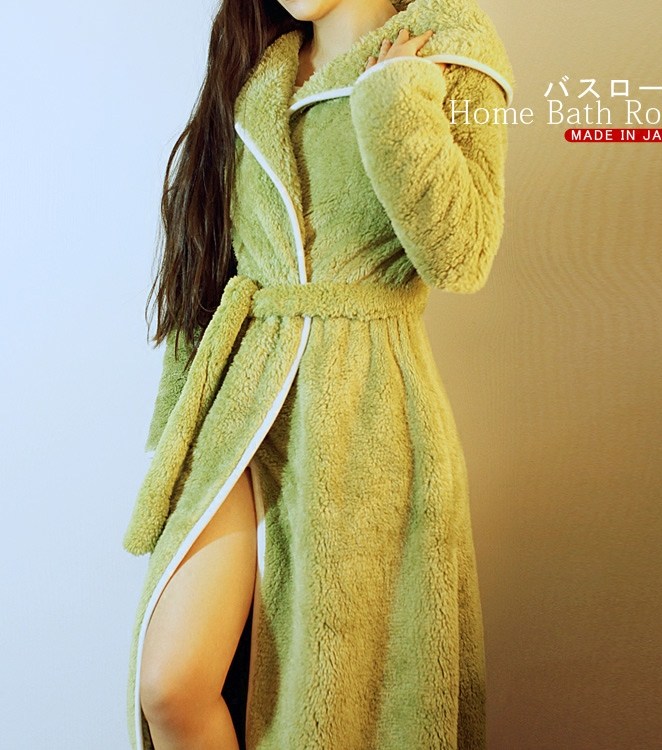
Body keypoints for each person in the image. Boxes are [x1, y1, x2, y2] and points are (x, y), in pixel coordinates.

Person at [122, 0, 515, 748]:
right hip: (243, 404)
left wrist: (395, 94)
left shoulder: (455, 49)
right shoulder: (257, 76)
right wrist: (182, 421)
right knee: (171, 686)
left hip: (363, 411)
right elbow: (221, 264)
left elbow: (462, 256)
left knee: (332, 706)